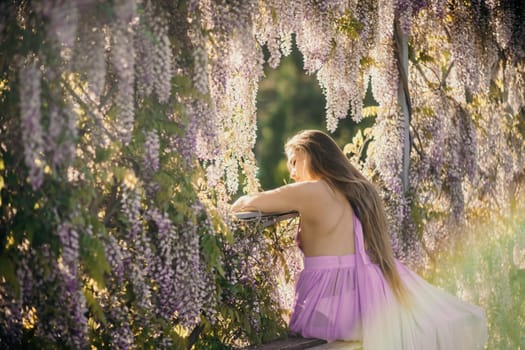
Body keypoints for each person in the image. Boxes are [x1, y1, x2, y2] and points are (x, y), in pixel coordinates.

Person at [231, 130, 488, 349]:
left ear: (311, 156)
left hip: (327, 302)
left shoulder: (311, 191)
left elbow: (246, 203)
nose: (293, 172)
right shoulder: (358, 189)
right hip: (367, 297)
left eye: (295, 161)